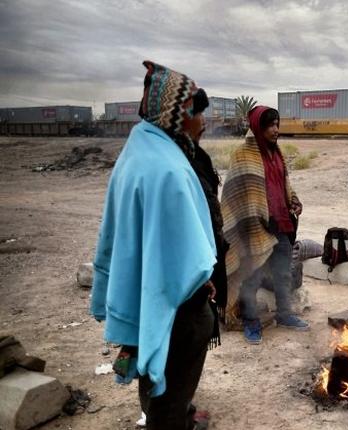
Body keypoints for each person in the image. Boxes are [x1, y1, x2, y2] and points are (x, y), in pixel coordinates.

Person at [90, 61, 218, 430]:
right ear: (177, 116)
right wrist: (201, 280)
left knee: (157, 380)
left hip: (151, 297)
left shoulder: (140, 151)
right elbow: (182, 262)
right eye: (198, 113)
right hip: (179, 311)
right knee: (171, 395)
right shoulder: (168, 170)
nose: (203, 122)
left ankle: (174, 416)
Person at [221, 105, 309, 344]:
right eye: (269, 125)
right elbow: (234, 193)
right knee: (252, 275)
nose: (275, 130)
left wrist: (294, 201)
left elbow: (283, 184)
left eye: (277, 124)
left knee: (283, 273)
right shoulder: (242, 155)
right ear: (257, 128)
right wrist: (254, 214)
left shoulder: (277, 152)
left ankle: (285, 315)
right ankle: (251, 321)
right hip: (254, 228)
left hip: (280, 223)